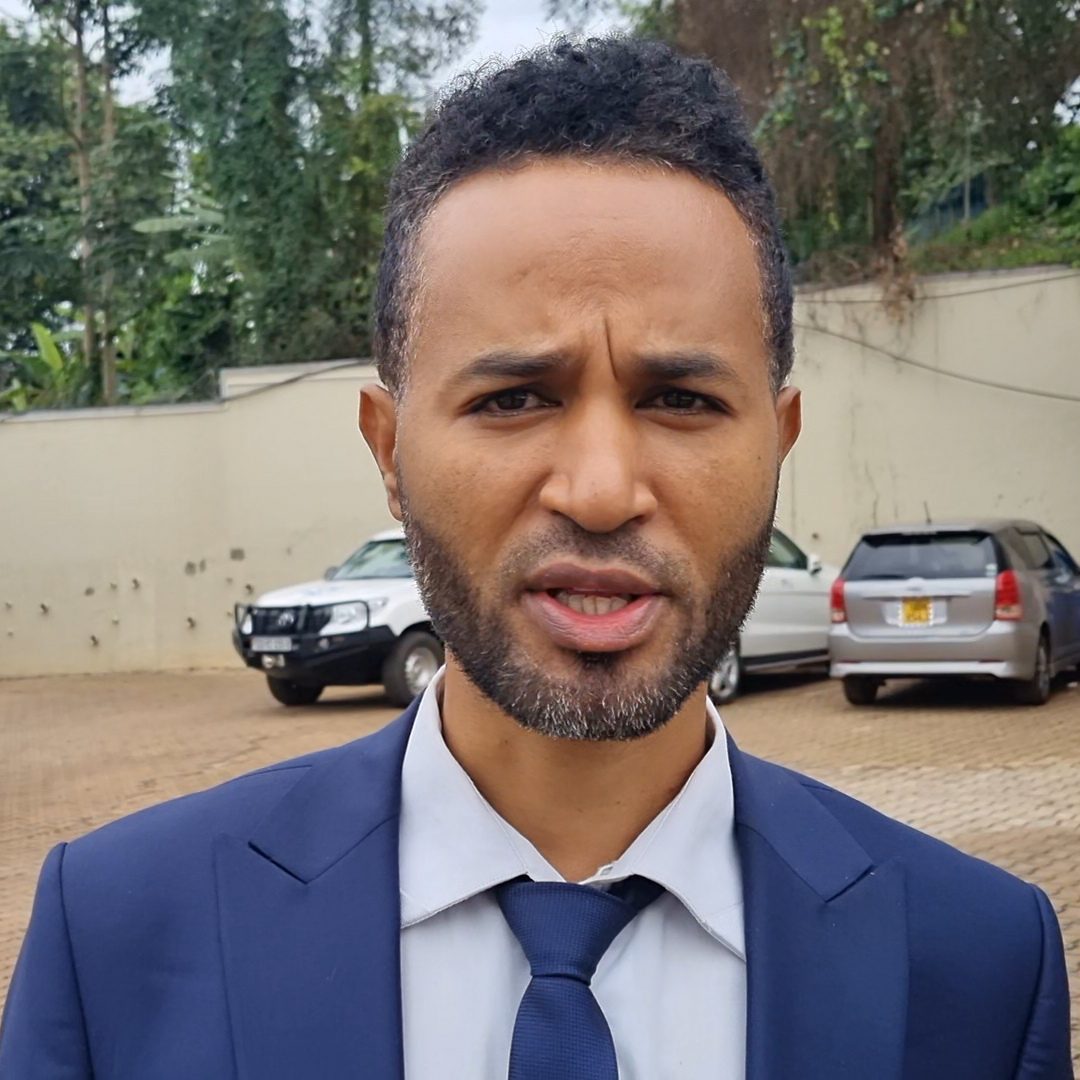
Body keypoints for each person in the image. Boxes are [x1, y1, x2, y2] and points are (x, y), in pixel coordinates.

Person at [0, 36, 1072, 1080]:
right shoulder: (117, 940)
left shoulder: (977, 965)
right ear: (389, 450)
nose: (601, 490)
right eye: (514, 398)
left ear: (778, 444)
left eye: (682, 400)